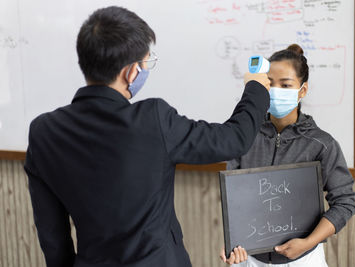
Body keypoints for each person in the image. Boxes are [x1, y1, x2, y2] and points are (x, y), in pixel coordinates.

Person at [24, 6, 271, 267]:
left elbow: (53, 238)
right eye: (146, 63)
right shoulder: (152, 120)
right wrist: (255, 88)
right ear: (130, 72)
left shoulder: (43, 132)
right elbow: (234, 140)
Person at [220, 44, 355, 266]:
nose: (275, 91)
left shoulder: (322, 144)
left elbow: (345, 203)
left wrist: (309, 241)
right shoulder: (245, 137)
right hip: (251, 260)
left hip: (304, 259)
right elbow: (233, 200)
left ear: (302, 90)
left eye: (285, 85)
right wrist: (230, 243)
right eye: (270, 84)